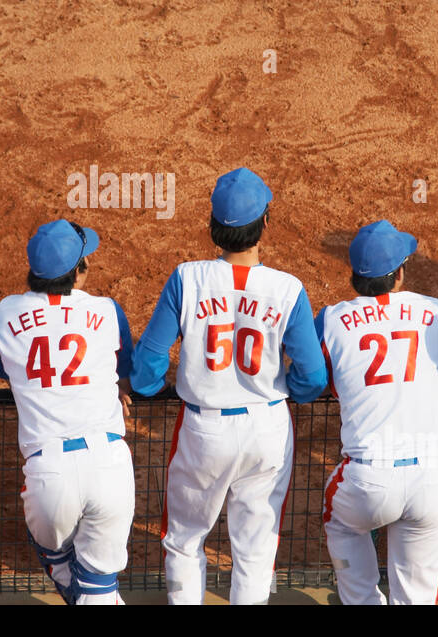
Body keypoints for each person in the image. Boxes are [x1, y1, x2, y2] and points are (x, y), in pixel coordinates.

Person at [130, 167, 328, 605]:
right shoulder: (288, 288)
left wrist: (151, 388)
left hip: (203, 431)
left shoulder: (187, 278)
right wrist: (285, 391)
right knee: (256, 549)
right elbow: (313, 377)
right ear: (265, 225)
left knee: (184, 540)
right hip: (268, 430)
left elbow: (146, 369)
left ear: (212, 228)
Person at [0, 219, 135, 604]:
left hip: (48, 473)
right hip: (109, 464)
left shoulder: (6, 312)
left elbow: (6, 371)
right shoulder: (106, 310)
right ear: (78, 271)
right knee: (99, 588)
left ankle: (64, 572)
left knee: (71, 570)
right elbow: (125, 369)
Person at [315, 220, 438, 604]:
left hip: (367, 480)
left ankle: (362, 599)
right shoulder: (436, 311)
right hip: (434, 477)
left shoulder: (329, 320)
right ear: (398, 275)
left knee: (341, 523)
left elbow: (313, 380)